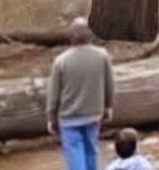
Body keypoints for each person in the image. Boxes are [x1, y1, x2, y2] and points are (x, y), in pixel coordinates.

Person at [45, 17, 115, 170]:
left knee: (74, 153)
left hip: (69, 117)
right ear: (91, 35)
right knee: (92, 150)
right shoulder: (102, 55)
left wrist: (51, 117)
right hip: (93, 113)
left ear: (71, 37)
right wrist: (109, 106)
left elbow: (54, 94)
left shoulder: (61, 61)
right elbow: (110, 84)